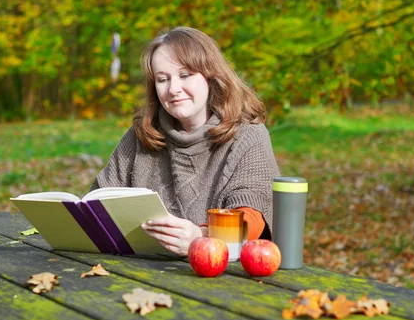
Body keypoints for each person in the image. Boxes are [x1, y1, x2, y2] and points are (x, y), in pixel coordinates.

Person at [90, 27, 280, 255]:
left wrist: (200, 237)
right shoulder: (142, 134)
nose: (173, 89)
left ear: (210, 75)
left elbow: (251, 217)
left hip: (222, 278)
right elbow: (98, 199)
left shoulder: (249, 136)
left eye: (185, 75)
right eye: (162, 79)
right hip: (138, 268)